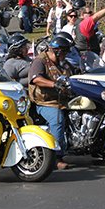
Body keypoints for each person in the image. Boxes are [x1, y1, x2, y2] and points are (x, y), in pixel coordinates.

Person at [29, 36, 73, 170]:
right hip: (45, 102)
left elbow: (76, 73)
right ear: (57, 51)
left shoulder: (63, 63)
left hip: (63, 99)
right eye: (64, 52)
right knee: (57, 119)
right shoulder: (40, 61)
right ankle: (56, 157)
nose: (65, 55)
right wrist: (54, 84)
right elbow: (36, 79)